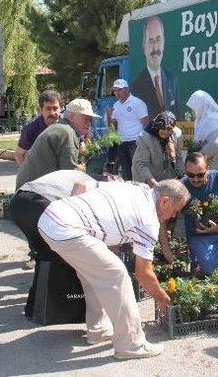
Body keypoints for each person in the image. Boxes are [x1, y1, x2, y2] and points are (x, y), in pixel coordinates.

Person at [37, 179, 189, 359]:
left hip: (51, 216)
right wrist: (161, 298)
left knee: (95, 272)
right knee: (116, 274)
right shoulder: (148, 220)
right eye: (175, 210)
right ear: (164, 201)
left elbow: (81, 184)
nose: (173, 216)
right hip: (64, 228)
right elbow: (143, 273)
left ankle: (99, 330)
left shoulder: (137, 188)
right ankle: (131, 344)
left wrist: (90, 223)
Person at [10, 170, 98, 317]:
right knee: (61, 255)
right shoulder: (93, 188)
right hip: (41, 204)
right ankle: (58, 311)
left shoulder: (82, 177)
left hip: (18, 203)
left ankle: (35, 310)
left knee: (44, 256)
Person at [16, 98, 100, 190]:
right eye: (85, 118)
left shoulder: (63, 127)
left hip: (30, 189)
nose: (89, 123)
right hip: (34, 192)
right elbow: (70, 174)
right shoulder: (66, 132)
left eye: (90, 119)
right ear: (72, 117)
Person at [130, 16, 179, 117]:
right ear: (144, 47)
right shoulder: (135, 87)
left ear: (164, 42)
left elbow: (176, 113)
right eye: (151, 41)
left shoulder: (172, 79)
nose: (155, 47)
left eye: (158, 40)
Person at [107, 79, 149, 180]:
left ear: (127, 89)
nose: (117, 93)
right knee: (126, 172)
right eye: (115, 91)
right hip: (122, 142)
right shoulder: (116, 105)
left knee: (137, 170)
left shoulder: (137, 103)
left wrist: (145, 141)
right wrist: (109, 116)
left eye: (119, 90)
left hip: (136, 142)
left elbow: (146, 123)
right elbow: (112, 127)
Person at [131, 111, 184, 187]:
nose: (166, 132)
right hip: (144, 175)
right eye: (162, 128)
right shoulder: (144, 138)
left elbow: (178, 157)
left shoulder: (177, 134)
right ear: (157, 127)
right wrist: (154, 184)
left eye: (169, 129)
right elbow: (142, 164)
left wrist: (181, 177)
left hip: (165, 174)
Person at [14, 90, 62, 165]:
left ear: (60, 109)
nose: (52, 113)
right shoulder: (31, 128)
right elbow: (19, 155)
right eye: (48, 109)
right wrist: (29, 172)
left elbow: (81, 145)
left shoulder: (68, 124)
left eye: (55, 108)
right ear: (40, 110)